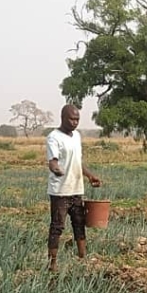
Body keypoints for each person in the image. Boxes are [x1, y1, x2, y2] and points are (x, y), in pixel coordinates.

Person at [45, 104, 101, 272]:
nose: (75, 122)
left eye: (77, 119)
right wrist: (56, 169)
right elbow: (52, 161)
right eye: (72, 119)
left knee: (79, 223)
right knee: (57, 226)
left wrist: (90, 176)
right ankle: (52, 264)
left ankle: (82, 258)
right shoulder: (53, 137)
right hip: (60, 192)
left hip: (76, 189)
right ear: (63, 118)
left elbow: (78, 162)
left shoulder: (77, 136)